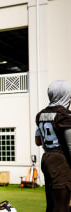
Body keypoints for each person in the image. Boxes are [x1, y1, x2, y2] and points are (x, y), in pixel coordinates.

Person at [35, 80, 71, 212]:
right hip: (61, 161)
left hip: (47, 158)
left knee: (51, 205)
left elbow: (38, 141)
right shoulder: (65, 115)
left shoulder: (41, 115)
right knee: (62, 206)